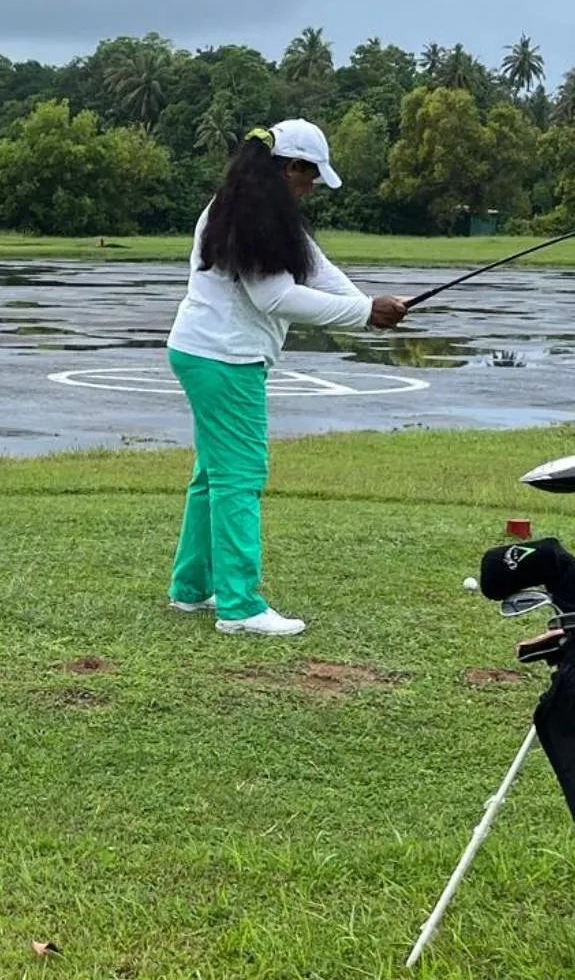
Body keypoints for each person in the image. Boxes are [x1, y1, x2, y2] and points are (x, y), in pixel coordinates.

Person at [166, 119, 408, 636]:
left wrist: (368, 304)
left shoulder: (255, 209)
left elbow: (317, 271)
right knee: (240, 477)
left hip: (205, 351)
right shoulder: (250, 215)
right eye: (310, 174)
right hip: (225, 358)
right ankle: (239, 606)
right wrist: (365, 313)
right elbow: (274, 297)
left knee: (213, 475)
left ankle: (191, 590)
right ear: (289, 167)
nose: (313, 184)